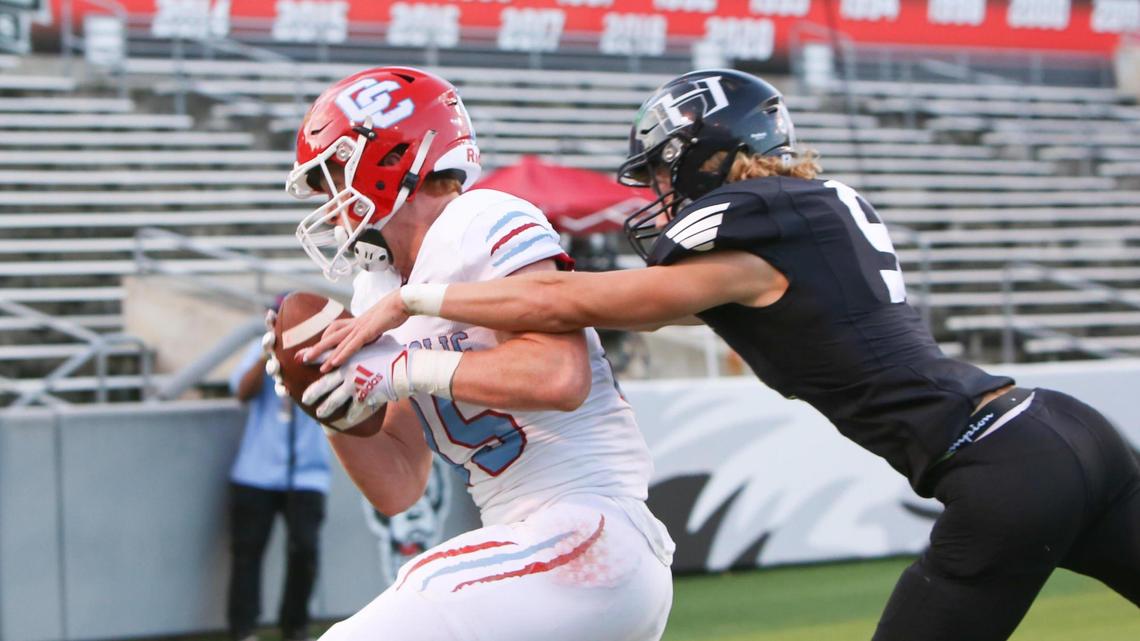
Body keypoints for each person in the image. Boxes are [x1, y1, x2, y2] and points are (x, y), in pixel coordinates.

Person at [306, 69, 1140, 640]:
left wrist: (410, 309)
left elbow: (574, 306)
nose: (657, 198)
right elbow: (401, 469)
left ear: (703, 156)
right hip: (1056, 432)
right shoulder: (800, 213)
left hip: (996, 464)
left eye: (663, 175)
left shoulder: (750, 239)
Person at [277, 66, 674, 641]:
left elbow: (560, 377)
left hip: (589, 530)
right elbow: (397, 486)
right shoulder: (377, 287)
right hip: (537, 552)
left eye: (334, 174)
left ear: (389, 158)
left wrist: (401, 368)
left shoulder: (482, 220)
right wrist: (330, 403)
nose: (330, 201)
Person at [228, 309, 331, 641]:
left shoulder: (324, 350)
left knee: (305, 550)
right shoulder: (260, 350)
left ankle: (295, 626)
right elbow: (241, 391)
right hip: (255, 473)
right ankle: (243, 628)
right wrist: (268, 357)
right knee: (247, 552)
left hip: (307, 473)